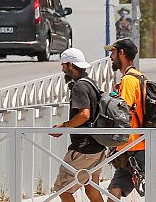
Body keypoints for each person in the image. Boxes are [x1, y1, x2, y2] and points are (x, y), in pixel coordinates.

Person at [105, 38, 156, 202]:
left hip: (135, 146)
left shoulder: (129, 80)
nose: (111, 57)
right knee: (114, 189)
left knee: (151, 190)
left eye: (112, 52)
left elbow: (121, 111)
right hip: (129, 146)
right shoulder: (139, 77)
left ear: (121, 53)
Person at [50, 48, 106, 202]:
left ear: (70, 65)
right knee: (91, 187)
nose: (62, 68)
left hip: (84, 148)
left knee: (62, 189)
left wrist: (64, 126)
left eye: (63, 65)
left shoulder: (79, 87)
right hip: (97, 147)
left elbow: (84, 114)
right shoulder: (91, 84)